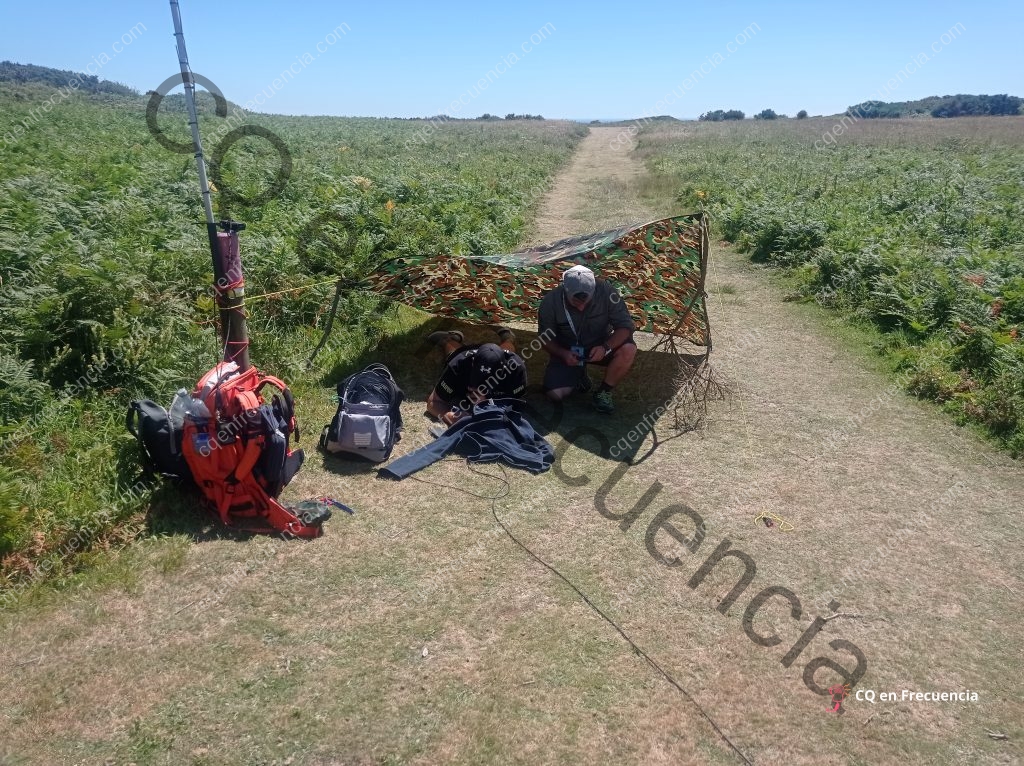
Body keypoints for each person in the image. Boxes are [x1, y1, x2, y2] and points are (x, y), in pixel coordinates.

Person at [537, 264, 636, 413]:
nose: (581, 307)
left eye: (586, 302)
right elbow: (544, 338)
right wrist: (563, 353)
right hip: (567, 350)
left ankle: (604, 392)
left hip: (600, 345)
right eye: (575, 302)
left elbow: (625, 328)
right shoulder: (550, 301)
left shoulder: (608, 293)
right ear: (566, 291)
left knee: (628, 349)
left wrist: (606, 347)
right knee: (554, 395)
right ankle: (580, 377)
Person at [425, 326, 527, 426]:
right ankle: (448, 339)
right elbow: (433, 402)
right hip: (465, 354)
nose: (480, 388)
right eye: (478, 379)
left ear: (503, 370)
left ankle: (509, 339)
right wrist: (452, 417)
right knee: (453, 353)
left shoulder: (515, 369)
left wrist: (490, 403)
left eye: (488, 382)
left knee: (506, 350)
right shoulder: (459, 364)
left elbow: (517, 404)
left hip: (504, 357)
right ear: (472, 362)